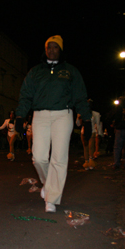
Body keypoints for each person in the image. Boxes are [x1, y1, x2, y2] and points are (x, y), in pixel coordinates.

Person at [15, 35, 92, 213]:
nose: (51, 50)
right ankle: (48, 184)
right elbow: (25, 95)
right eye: (49, 47)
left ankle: (51, 198)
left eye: (55, 47)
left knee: (59, 158)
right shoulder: (35, 71)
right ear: (45, 49)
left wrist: (87, 119)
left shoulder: (70, 71)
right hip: (40, 115)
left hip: (62, 115)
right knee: (39, 156)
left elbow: (80, 96)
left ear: (61, 50)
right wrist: (19, 116)